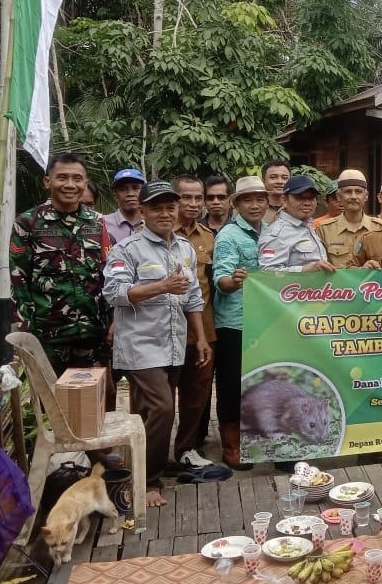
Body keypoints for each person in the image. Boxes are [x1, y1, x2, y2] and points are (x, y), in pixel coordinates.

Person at [103, 181, 211, 508]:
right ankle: (148, 481)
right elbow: (114, 293)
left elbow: (193, 297)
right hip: (140, 347)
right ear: (144, 211)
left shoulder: (185, 249)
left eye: (170, 207)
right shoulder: (127, 249)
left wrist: (201, 338)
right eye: (157, 207)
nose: (165, 213)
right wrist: (161, 285)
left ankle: (136, 468)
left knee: (153, 412)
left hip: (176, 344)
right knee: (164, 408)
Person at [10, 153, 109, 376]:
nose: (70, 184)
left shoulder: (97, 222)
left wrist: (111, 321)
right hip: (47, 334)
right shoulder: (28, 222)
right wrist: (25, 330)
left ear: (85, 183)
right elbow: (18, 280)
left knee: (89, 403)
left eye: (77, 178)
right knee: (51, 406)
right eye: (62, 178)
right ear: (48, 181)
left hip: (91, 332)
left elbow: (107, 274)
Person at [212, 176, 268, 470]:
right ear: (237, 204)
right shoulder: (228, 236)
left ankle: (258, 439)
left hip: (266, 321)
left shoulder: (271, 233)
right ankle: (231, 445)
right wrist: (233, 282)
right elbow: (220, 280)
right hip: (234, 322)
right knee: (232, 384)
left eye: (260, 199)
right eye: (248, 199)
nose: (255, 205)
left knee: (261, 381)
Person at [171, 175, 219, 469]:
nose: (193, 203)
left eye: (197, 198)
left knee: (196, 395)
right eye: (185, 197)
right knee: (160, 400)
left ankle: (186, 449)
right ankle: (153, 453)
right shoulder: (154, 233)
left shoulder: (209, 237)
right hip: (163, 330)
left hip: (203, 328)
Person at [258, 175, 333, 273]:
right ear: (284, 200)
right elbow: (267, 273)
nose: (307, 203)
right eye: (300, 198)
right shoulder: (276, 234)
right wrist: (306, 269)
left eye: (311, 198)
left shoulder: (309, 226)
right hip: (293, 288)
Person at [315, 169, 382, 269]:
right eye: (348, 191)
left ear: (366, 196)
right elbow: (320, 270)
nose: (353, 196)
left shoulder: (381, 228)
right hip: (337, 284)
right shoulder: (324, 229)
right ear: (339, 196)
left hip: (373, 284)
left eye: (358, 192)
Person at [104, 168, 145, 244]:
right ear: (115, 196)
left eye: (136, 188)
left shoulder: (152, 224)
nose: (130, 194)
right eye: (123, 189)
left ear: (144, 192)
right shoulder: (103, 225)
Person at [261, 160, 290, 224]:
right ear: (263, 181)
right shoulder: (256, 208)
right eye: (273, 177)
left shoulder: (296, 208)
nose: (280, 181)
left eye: (284, 178)